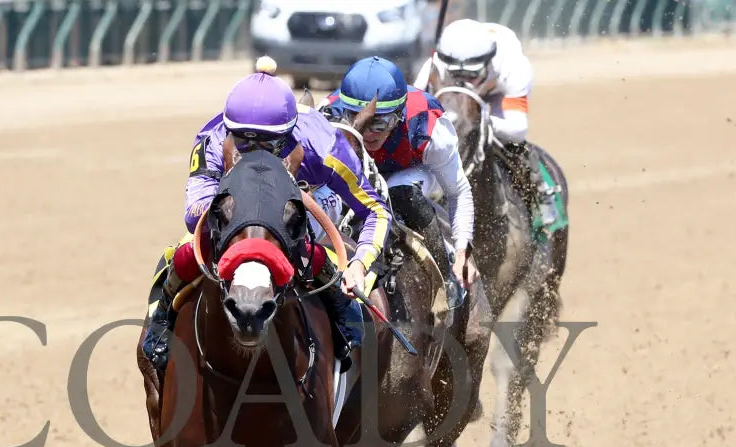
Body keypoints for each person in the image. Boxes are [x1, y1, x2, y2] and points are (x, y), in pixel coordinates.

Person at [141, 59, 393, 372]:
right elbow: (195, 216)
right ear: (229, 131)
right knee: (182, 250)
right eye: (244, 142)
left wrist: (359, 263)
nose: (257, 151)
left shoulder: (324, 146)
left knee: (306, 248)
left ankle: (342, 310)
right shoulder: (213, 139)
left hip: (304, 201)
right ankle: (161, 317)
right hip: (233, 214)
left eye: (270, 144)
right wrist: (236, 206)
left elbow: (375, 210)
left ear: (290, 134)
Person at [324, 56, 478, 294]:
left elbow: (458, 192)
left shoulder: (428, 123)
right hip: (358, 170)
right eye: (355, 119)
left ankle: (447, 278)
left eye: (380, 123)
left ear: (399, 115)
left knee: (400, 193)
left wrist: (461, 251)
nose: (368, 133)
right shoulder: (325, 116)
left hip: (410, 172)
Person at [413, 18, 559, 227]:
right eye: (457, 75)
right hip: (453, 93)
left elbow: (517, 129)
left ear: (488, 62)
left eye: (472, 75)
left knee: (510, 142)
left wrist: (484, 122)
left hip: (496, 93)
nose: (465, 81)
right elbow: (412, 112)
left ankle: (540, 191)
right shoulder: (433, 67)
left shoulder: (512, 68)